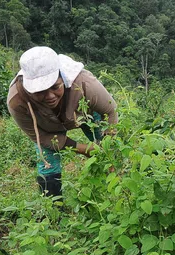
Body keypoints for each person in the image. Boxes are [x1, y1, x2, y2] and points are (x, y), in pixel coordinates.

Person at [7, 46, 118, 197]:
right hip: (48, 128)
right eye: (40, 92)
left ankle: (117, 194)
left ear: (62, 78)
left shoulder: (84, 83)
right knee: (48, 165)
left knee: (110, 154)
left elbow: (110, 111)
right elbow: (42, 137)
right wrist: (84, 149)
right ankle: (54, 211)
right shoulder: (17, 100)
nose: (50, 96)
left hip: (85, 115)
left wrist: (109, 145)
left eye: (55, 87)